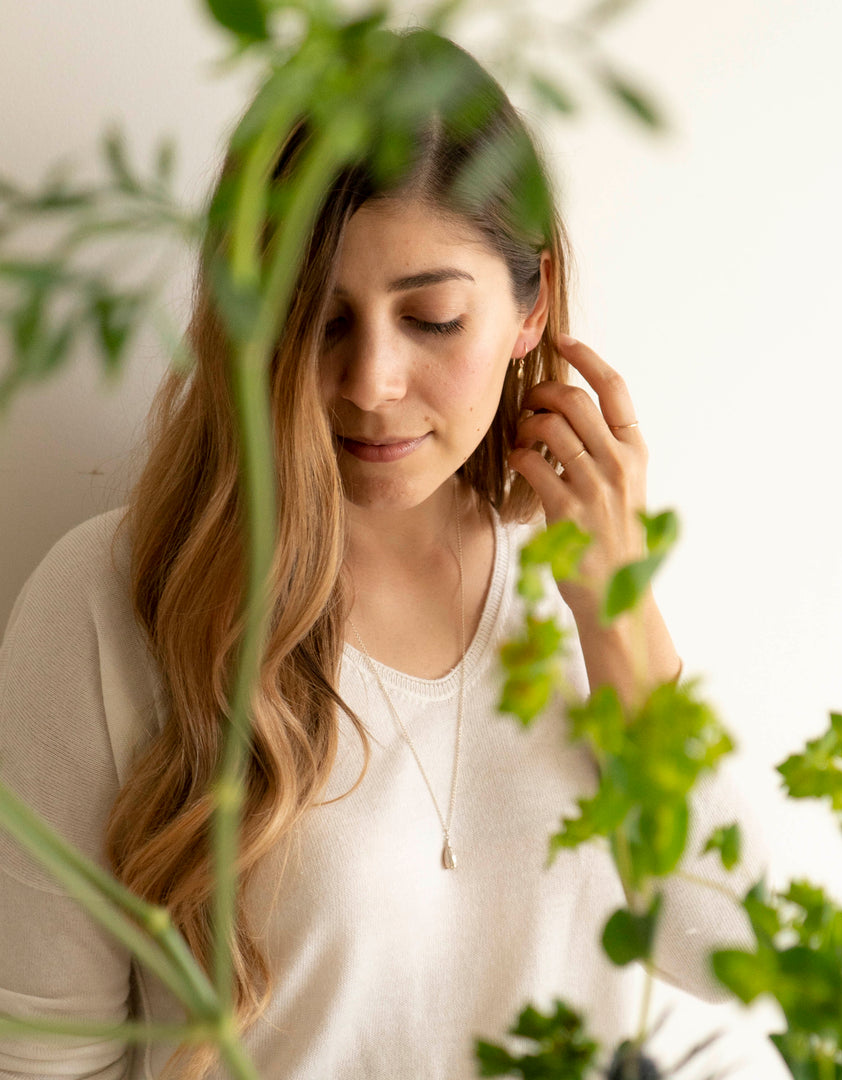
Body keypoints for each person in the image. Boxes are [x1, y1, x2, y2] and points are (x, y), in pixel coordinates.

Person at [0, 26, 763, 1080]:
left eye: (433, 319)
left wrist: (615, 610)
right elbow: (43, 1058)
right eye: (319, 320)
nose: (370, 383)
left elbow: (736, 952)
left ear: (531, 305)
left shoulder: (583, 585)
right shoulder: (112, 599)